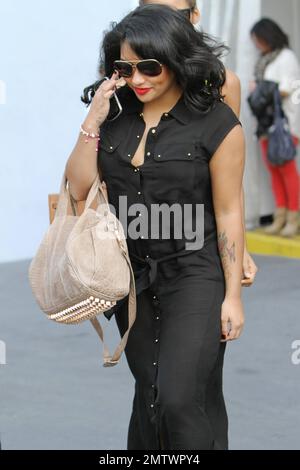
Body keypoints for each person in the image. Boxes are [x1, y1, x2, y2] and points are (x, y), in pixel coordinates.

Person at [66, 4, 246, 450]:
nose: (138, 77)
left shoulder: (217, 123)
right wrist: (92, 119)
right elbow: (79, 186)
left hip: (195, 271)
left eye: (150, 65)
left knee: (179, 397)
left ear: (177, 57)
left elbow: (227, 211)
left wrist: (233, 296)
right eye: (124, 67)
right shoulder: (114, 116)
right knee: (150, 396)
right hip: (130, 278)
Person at [250, 18, 300, 237]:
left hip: (284, 124)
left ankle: (293, 218)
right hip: (265, 124)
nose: (257, 44)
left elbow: (290, 88)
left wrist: (262, 89)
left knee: (287, 171)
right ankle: (280, 218)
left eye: (258, 39)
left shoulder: (286, 57)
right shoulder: (265, 59)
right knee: (274, 171)